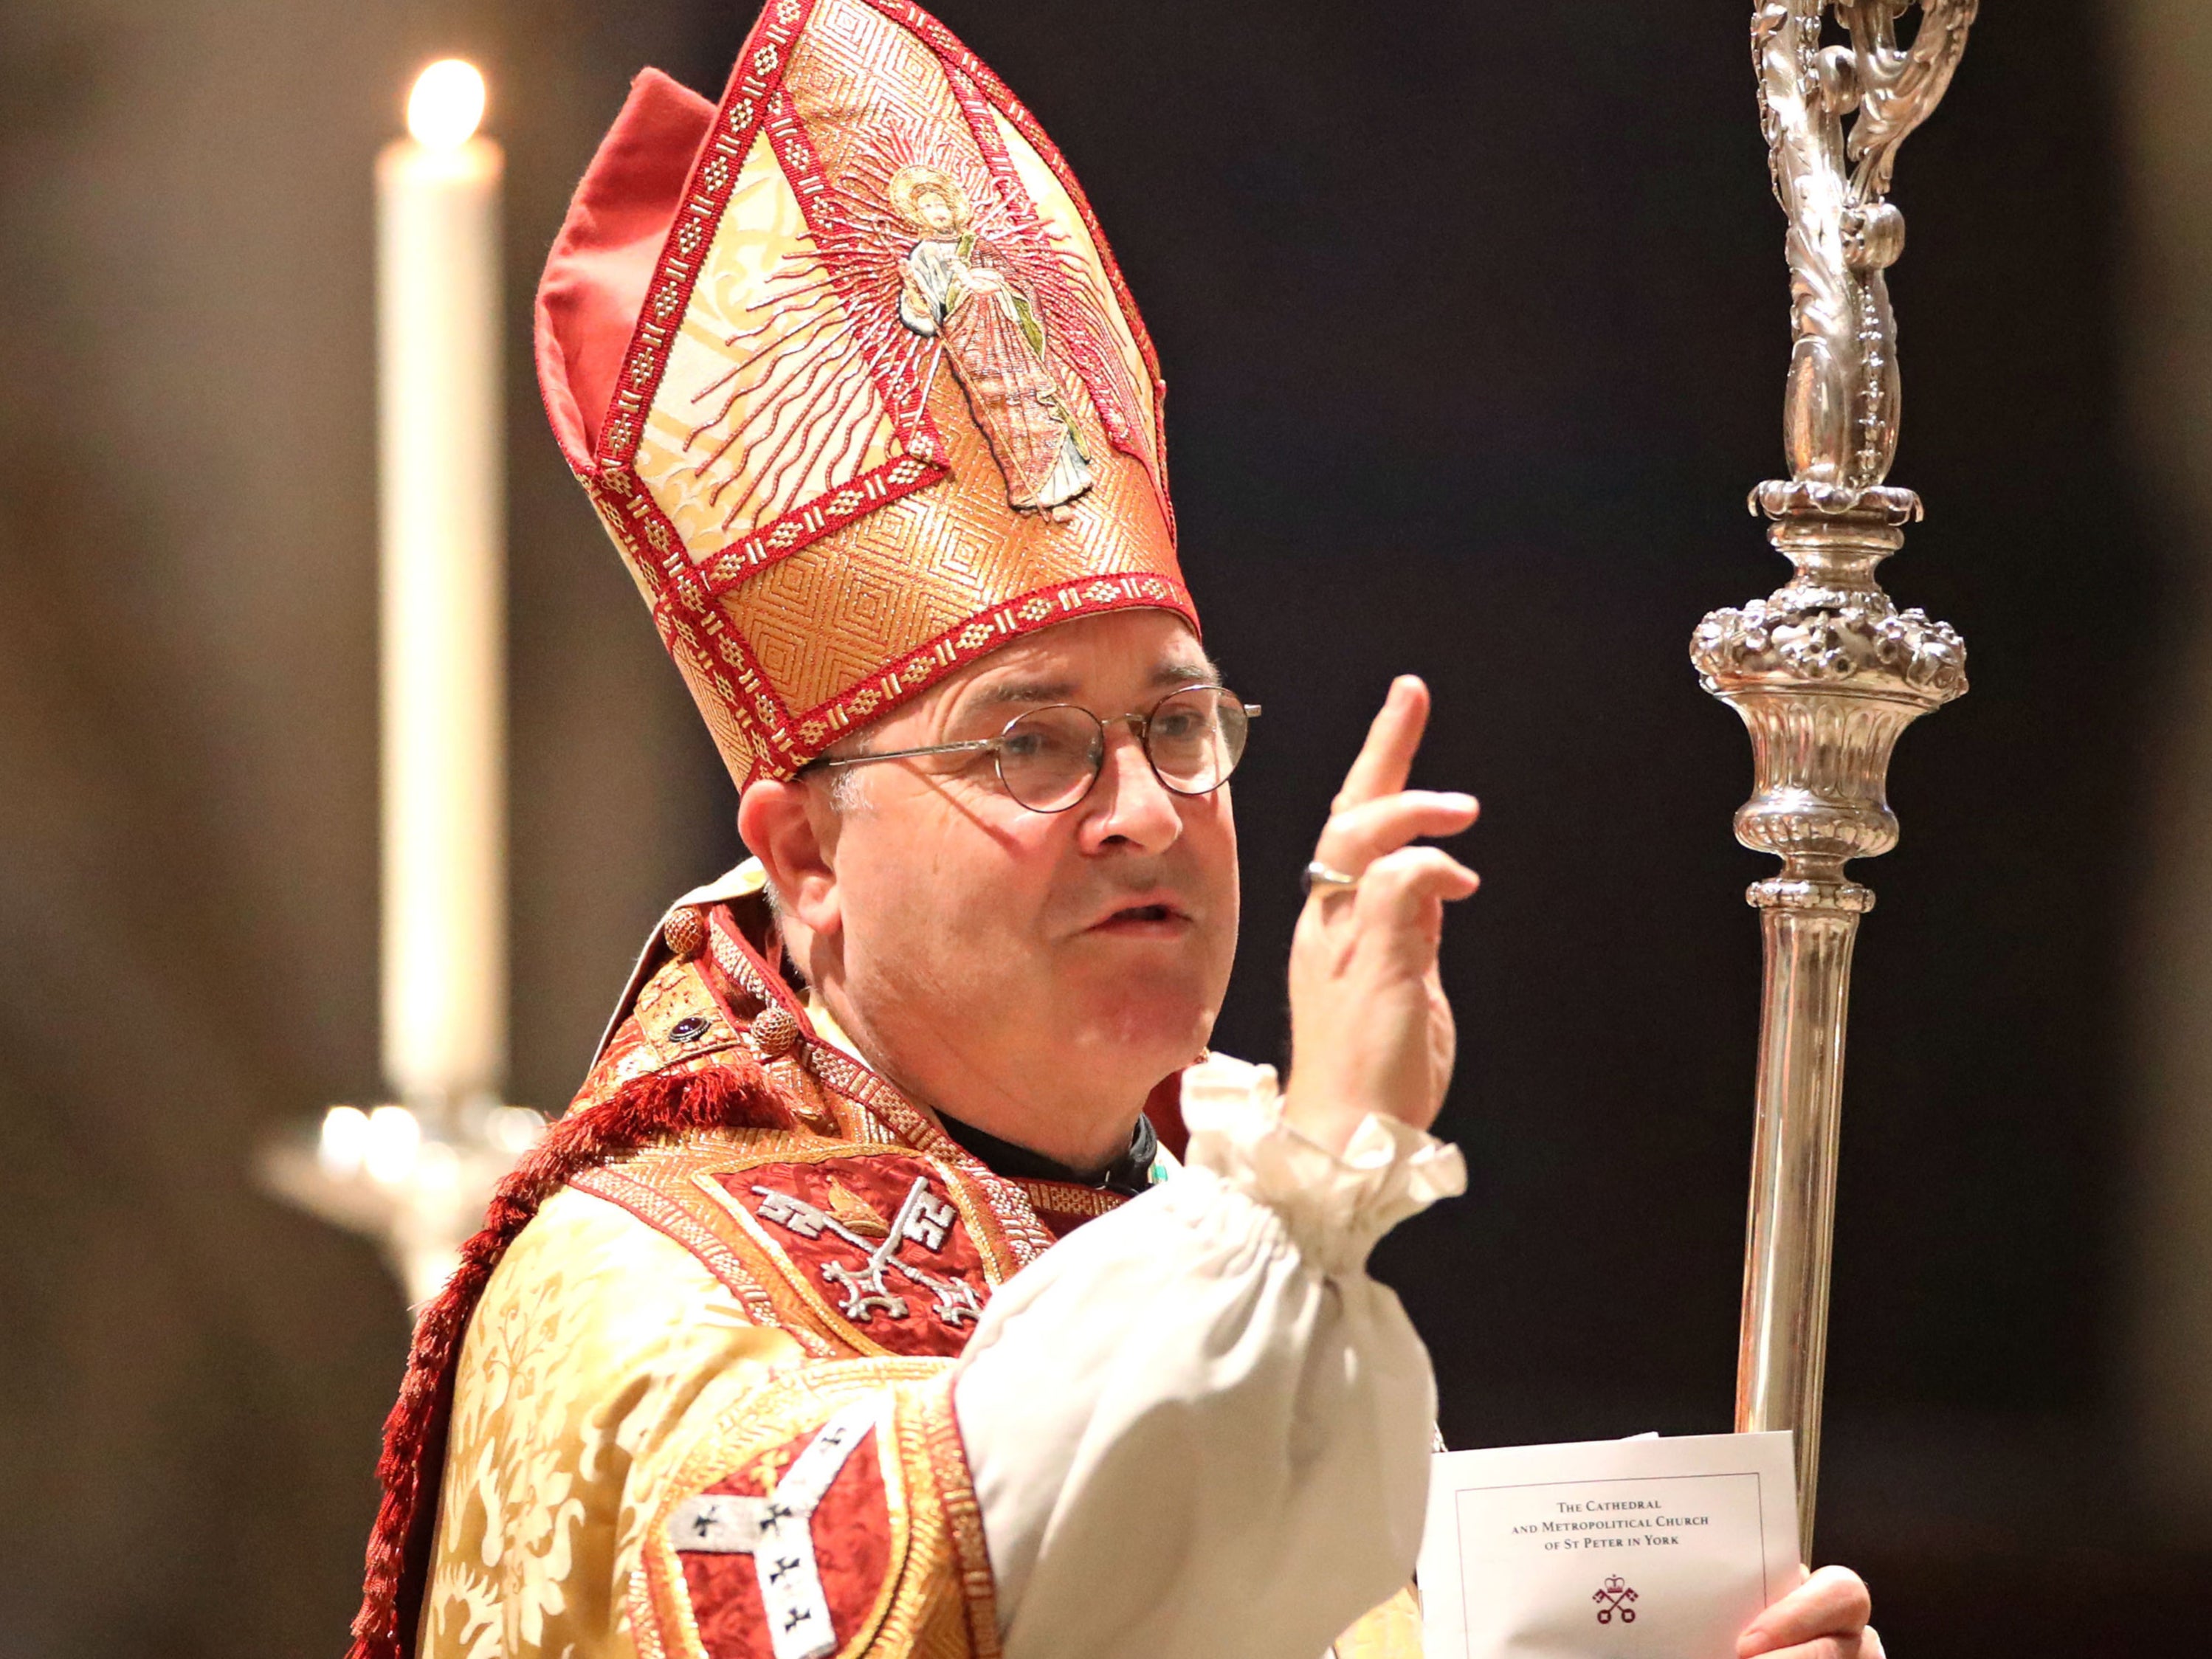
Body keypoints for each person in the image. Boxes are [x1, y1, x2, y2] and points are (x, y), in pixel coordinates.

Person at [348, 4, 1884, 1658]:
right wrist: (1310, 1185)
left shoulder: (1196, 1242)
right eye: (1029, 744)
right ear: (802, 860)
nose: (1146, 807)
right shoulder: (634, 1285)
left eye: (1176, 725)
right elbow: (969, 1560)